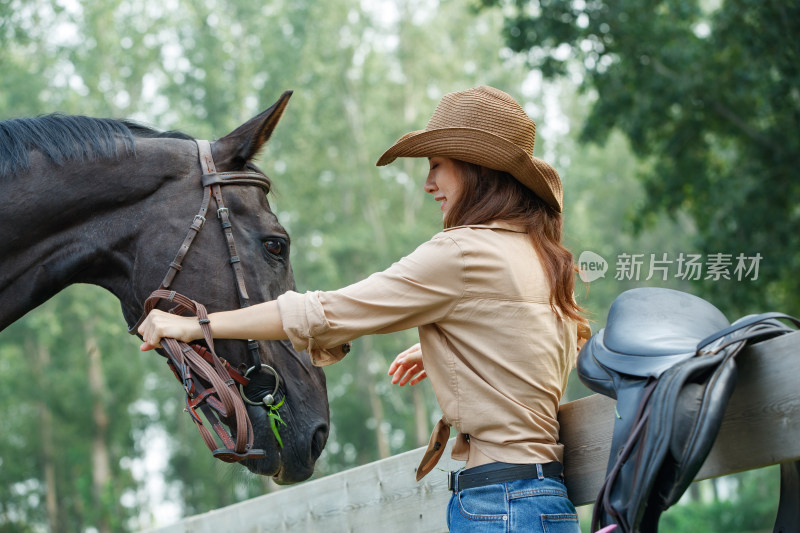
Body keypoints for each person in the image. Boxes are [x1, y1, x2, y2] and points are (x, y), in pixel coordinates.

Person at [139, 85, 589, 532]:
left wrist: (197, 326)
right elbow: (551, 338)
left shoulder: (462, 253)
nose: (429, 184)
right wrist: (448, 350)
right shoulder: (544, 257)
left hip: (498, 504)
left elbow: (324, 312)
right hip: (546, 499)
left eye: (436, 166)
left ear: (476, 170)